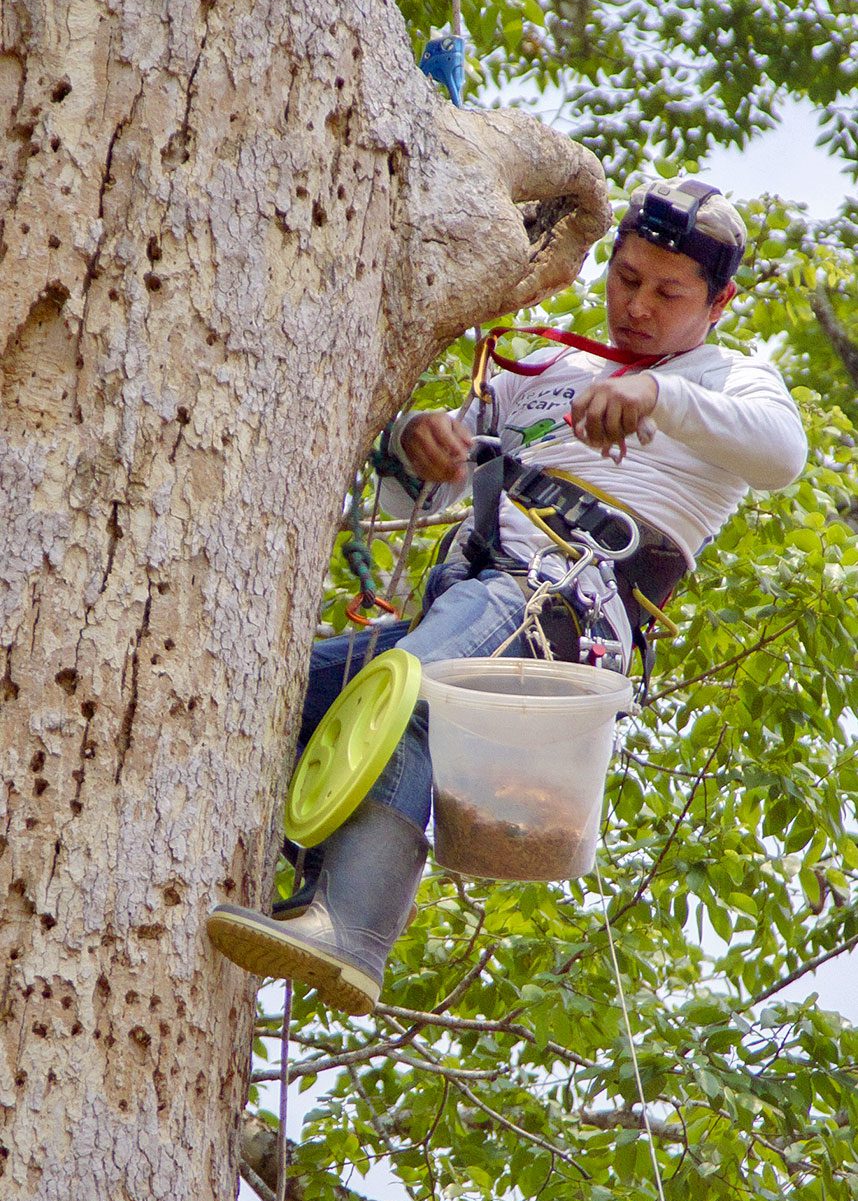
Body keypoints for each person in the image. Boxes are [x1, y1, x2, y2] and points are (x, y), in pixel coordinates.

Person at [206, 179, 808, 1015]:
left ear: (719, 304)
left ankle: (353, 929)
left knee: (413, 692)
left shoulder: (727, 380)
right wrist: (419, 444)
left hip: (556, 610)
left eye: (668, 292)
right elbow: (400, 504)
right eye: (626, 278)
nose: (636, 306)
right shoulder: (549, 370)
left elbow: (782, 456)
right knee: (285, 694)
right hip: (470, 598)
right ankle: (308, 885)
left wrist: (658, 394)